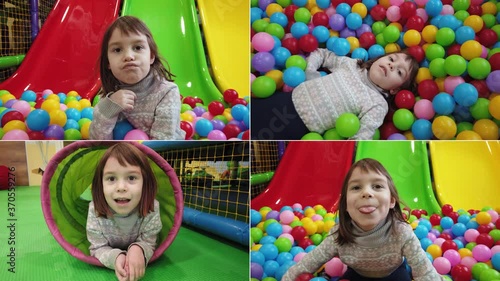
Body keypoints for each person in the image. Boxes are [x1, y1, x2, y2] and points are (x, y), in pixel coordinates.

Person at [282, 158, 444, 281]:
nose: (366, 193)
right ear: (345, 204)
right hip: (357, 275)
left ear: (392, 201)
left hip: (393, 273)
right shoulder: (339, 236)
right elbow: (310, 261)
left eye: (377, 186)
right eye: (356, 187)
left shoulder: (402, 232)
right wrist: (288, 278)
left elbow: (424, 270)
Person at [251, 49, 419, 140]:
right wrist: (309, 70)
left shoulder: (377, 104)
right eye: (391, 59)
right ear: (379, 59)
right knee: (249, 115)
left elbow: (364, 133)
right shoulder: (351, 65)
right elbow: (323, 55)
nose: (391, 65)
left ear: (395, 90)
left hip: (298, 126)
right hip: (285, 99)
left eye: (399, 72)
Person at [90, 15, 185, 140]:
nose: (128, 56)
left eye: (138, 47)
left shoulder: (166, 92)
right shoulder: (110, 97)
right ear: (108, 62)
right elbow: (97, 141)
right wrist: (110, 108)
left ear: (151, 56)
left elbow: (163, 140)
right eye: (117, 50)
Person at [86, 142, 162, 281]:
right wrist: (116, 257)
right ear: (100, 185)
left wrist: (138, 249)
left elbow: (149, 241)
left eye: (131, 178)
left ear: (145, 184)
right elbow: (97, 247)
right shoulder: (95, 211)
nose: (121, 187)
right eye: (111, 178)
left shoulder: (152, 208)